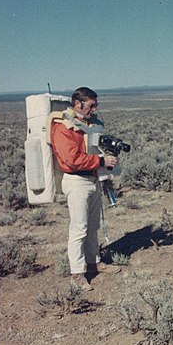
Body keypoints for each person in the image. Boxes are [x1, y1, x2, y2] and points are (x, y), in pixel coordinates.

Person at [50, 87, 121, 291]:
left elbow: (93, 150)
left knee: (93, 226)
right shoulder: (63, 127)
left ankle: (94, 262)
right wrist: (100, 160)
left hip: (93, 179)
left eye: (95, 105)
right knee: (79, 228)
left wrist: (104, 171)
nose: (95, 109)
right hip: (76, 181)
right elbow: (71, 160)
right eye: (91, 105)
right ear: (78, 103)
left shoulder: (89, 126)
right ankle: (77, 273)